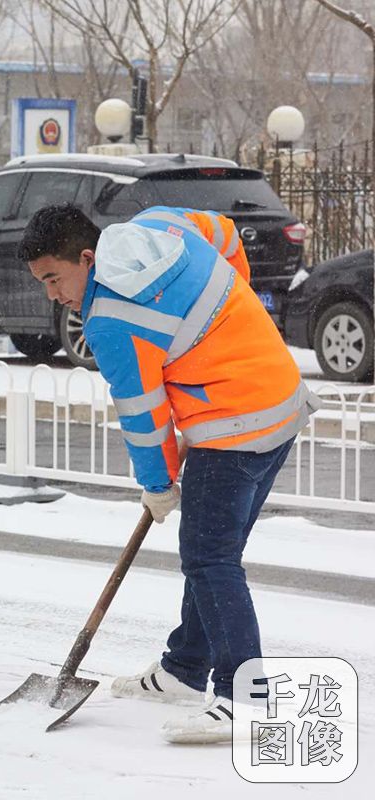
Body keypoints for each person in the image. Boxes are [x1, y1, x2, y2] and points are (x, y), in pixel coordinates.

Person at [19, 204, 319, 743]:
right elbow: (225, 234)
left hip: (232, 428)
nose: (52, 294)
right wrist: (233, 315)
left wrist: (158, 484)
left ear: (87, 259)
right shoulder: (158, 225)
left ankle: (244, 697)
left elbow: (143, 413)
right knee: (212, 553)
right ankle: (185, 668)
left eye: (53, 278)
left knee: (209, 558)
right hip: (279, 396)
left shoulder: (108, 321)